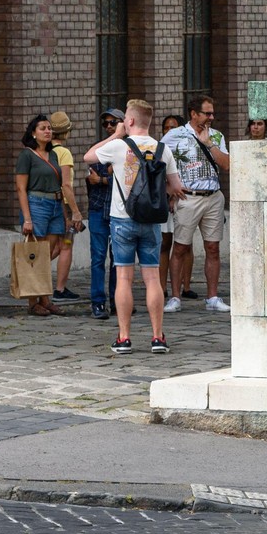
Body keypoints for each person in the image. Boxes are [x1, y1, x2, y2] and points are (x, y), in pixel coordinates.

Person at [84, 99, 183, 355]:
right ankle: (158, 336)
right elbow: (175, 185)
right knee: (152, 279)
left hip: (122, 220)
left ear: (129, 121)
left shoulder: (118, 146)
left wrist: (116, 135)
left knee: (124, 279)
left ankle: (124, 337)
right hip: (151, 221)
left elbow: (88, 157)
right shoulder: (162, 149)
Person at [163, 95, 231, 314]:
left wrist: (208, 143)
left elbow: (227, 164)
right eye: (207, 113)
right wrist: (169, 187)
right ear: (194, 113)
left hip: (212, 195)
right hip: (188, 196)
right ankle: (175, 296)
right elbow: (155, 161)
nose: (211, 117)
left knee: (213, 247)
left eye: (212, 113)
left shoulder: (216, 135)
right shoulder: (175, 135)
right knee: (180, 247)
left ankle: (212, 296)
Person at [13, 114, 67, 316]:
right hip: (37, 204)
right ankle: (33, 301)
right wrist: (27, 218)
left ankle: (45, 298)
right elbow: (20, 188)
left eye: (49, 128)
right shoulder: (26, 155)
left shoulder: (53, 155)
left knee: (47, 254)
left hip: (55, 204)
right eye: (43, 128)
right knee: (35, 254)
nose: (47, 131)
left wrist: (65, 213)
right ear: (33, 133)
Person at [84, 108, 122, 321]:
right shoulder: (100, 147)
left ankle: (118, 301)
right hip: (99, 208)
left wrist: (104, 179)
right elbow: (93, 171)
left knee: (119, 259)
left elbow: (126, 177)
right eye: (105, 123)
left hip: (119, 210)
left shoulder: (129, 146)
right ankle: (98, 302)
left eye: (113, 122)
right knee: (98, 257)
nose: (108, 127)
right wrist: (106, 177)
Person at [46, 110, 87, 303]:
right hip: (62, 207)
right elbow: (66, 185)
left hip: (47, 204)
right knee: (66, 246)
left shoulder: (44, 151)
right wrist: (75, 212)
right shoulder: (63, 153)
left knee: (56, 246)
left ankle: (34, 274)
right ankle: (60, 289)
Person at [157, 113, 184, 304]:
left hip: (184, 198)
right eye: (166, 128)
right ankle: (161, 287)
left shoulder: (186, 148)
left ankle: (183, 286)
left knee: (183, 245)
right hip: (165, 199)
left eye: (173, 128)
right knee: (164, 244)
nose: (169, 131)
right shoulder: (159, 149)